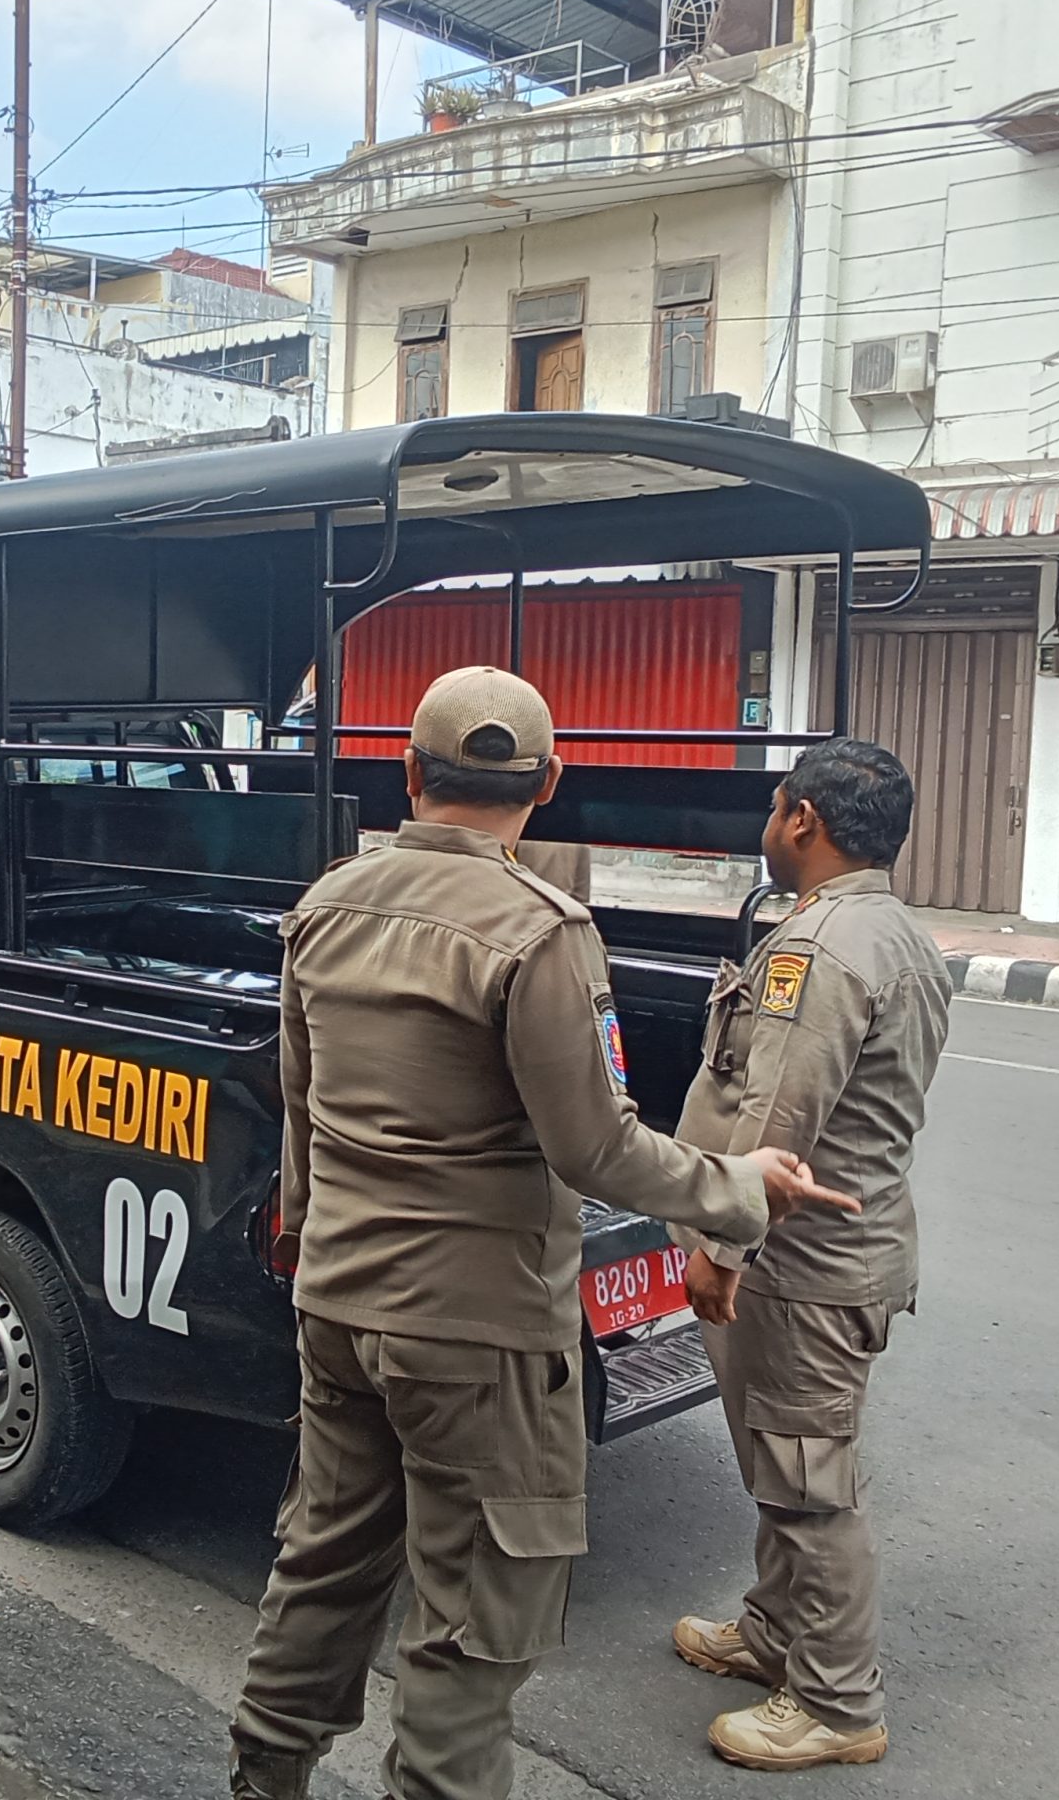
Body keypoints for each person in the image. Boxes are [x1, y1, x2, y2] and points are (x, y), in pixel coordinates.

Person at [229, 667, 861, 1800]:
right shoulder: (540, 932)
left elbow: (301, 1108)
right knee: (475, 1614)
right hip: (475, 1333)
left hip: (338, 1306)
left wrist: (313, 1251)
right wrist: (740, 1187)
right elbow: (596, 1149)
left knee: (322, 1565)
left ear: (408, 773)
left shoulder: (326, 904)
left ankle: (263, 1775)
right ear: (550, 782)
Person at [666, 738, 951, 1772]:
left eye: (776, 808)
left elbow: (775, 1118)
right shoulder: (893, 931)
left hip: (801, 1263)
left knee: (806, 1477)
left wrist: (720, 1245)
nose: (770, 825)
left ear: (802, 820)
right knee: (783, 1458)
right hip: (834, 1253)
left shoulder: (820, 948)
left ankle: (836, 1701)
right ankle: (777, 1632)